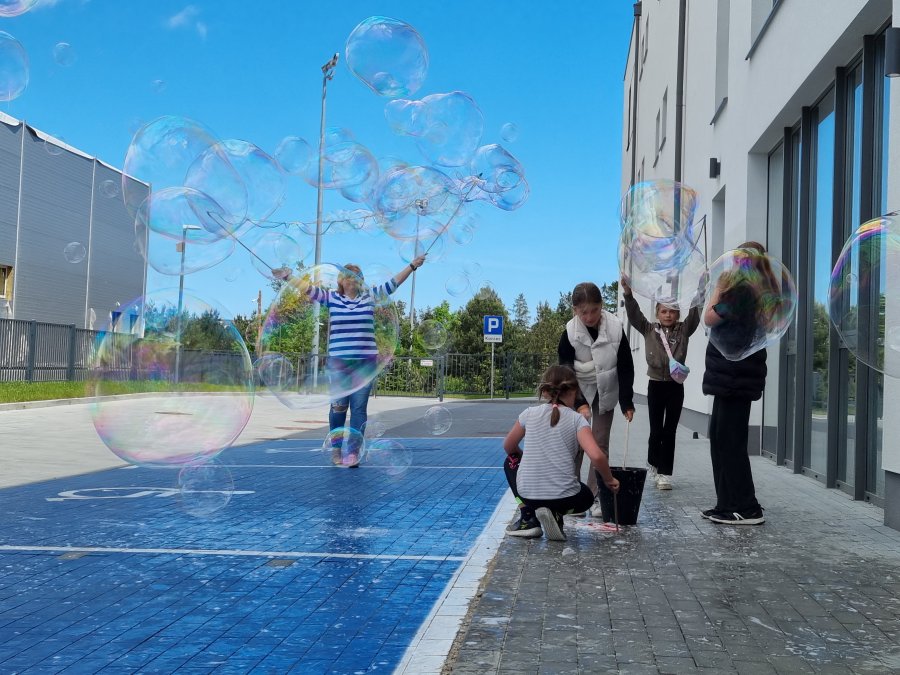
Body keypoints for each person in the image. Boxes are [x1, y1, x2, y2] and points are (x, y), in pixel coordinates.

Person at [275, 255, 426, 467]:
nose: (351, 280)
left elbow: (393, 284)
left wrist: (412, 266)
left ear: (361, 280)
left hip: (365, 364)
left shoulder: (370, 297)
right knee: (338, 407)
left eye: (356, 277)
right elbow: (307, 288)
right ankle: (336, 450)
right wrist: (288, 276)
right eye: (347, 276)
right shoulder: (331, 298)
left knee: (358, 409)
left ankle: (353, 452)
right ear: (341, 281)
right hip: (339, 363)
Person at [503, 365, 620, 541]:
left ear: (545, 392)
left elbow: (508, 446)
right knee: (587, 497)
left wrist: (523, 456)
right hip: (566, 499)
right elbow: (596, 455)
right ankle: (556, 513)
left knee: (510, 461)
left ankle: (528, 517)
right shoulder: (576, 419)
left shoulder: (529, 413)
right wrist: (609, 479)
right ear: (574, 391)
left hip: (530, 496)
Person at [701, 241, 772, 525]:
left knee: (730, 442)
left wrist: (718, 287)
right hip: (730, 378)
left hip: (735, 378)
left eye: (741, 261)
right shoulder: (751, 292)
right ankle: (727, 504)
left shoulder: (743, 292)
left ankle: (747, 507)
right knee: (720, 439)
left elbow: (709, 317)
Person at [558, 281, 635, 517]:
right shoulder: (570, 332)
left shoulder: (615, 326)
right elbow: (565, 371)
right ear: (575, 310)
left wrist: (627, 401)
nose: (589, 316)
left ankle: (593, 496)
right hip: (576, 388)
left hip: (606, 387)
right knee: (575, 443)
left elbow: (625, 365)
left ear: (602, 305)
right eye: (584, 312)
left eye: (594, 310)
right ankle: (570, 495)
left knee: (600, 443)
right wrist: (579, 402)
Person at [621, 279, 700, 490]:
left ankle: (665, 474)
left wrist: (700, 289)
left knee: (670, 431)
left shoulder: (684, 331)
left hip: (675, 387)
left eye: (672, 311)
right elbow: (634, 314)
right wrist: (628, 294)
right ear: (657, 313)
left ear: (678, 315)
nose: (668, 315)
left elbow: (695, 312)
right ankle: (654, 463)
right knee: (656, 430)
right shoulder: (649, 329)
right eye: (664, 311)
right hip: (655, 385)